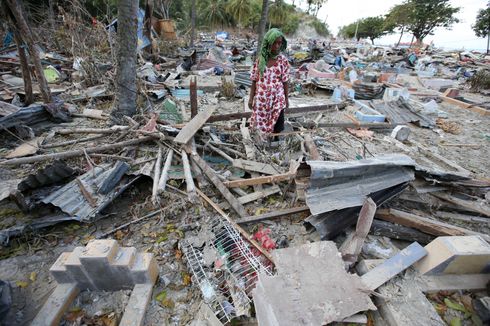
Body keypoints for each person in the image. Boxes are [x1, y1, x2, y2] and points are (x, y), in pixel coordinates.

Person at [248, 28, 290, 135]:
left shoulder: (283, 61)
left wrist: (286, 99)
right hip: (261, 99)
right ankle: (262, 142)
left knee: (277, 124)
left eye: (279, 43)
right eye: (274, 43)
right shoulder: (260, 60)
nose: (276, 46)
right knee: (259, 123)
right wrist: (250, 98)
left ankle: (275, 142)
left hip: (277, 98)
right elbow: (254, 80)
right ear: (268, 43)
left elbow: (285, 82)